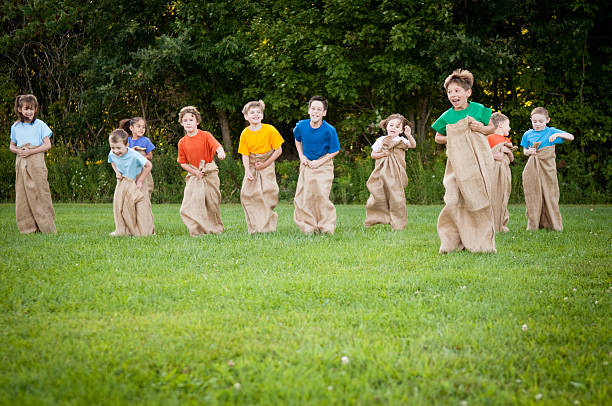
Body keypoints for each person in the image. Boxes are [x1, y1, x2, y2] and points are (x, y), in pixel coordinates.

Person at [432, 69, 496, 253]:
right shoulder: (447, 116)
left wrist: (480, 128)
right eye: (450, 92)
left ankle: (480, 242)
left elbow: (491, 128)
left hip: (477, 164)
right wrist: (455, 135)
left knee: (477, 200)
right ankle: (451, 241)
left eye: (457, 90)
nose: (453, 95)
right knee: (452, 199)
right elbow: (438, 137)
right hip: (456, 165)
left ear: (467, 92)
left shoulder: (478, 109)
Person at [9, 94, 57, 234]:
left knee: (40, 192)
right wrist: (18, 151)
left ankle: (46, 227)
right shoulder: (16, 126)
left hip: (36, 160)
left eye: (32, 109)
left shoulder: (40, 125)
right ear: (19, 109)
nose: (29, 112)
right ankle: (28, 228)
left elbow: (47, 145)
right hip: (21, 159)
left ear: (36, 109)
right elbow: (11, 146)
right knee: (23, 194)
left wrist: (30, 152)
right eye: (26, 109)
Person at [293, 95, 340, 234]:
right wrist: (302, 156)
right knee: (304, 196)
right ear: (308, 110)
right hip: (307, 164)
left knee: (320, 195)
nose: (315, 112)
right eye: (313, 108)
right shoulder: (301, 126)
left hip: (323, 165)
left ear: (324, 113)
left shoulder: (329, 130)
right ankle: (308, 226)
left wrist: (319, 162)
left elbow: (335, 150)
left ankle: (326, 226)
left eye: (319, 109)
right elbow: (297, 139)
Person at [521, 106, 574, 231]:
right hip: (533, 166)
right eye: (534, 121)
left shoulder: (551, 131)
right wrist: (530, 151)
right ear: (531, 120)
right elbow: (524, 151)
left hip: (548, 167)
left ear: (547, 120)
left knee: (550, 193)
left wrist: (557, 134)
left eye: (541, 121)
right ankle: (534, 224)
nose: (537, 124)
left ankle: (553, 224)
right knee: (534, 194)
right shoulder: (527, 134)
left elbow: (571, 137)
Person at [177, 106, 226, 236]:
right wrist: (195, 173)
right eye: (185, 120)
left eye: (191, 120)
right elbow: (182, 163)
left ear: (197, 121)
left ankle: (215, 228)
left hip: (209, 171)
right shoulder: (182, 142)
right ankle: (197, 230)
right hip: (194, 174)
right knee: (191, 203)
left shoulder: (205, 135)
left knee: (212, 202)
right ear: (181, 122)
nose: (188, 122)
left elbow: (216, 146)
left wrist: (220, 152)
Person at [238, 100, 284, 234]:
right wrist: (247, 171)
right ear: (246, 116)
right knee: (247, 193)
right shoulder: (245, 133)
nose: (256, 115)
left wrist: (265, 164)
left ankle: (268, 226)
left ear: (262, 116)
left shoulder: (270, 130)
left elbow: (278, 150)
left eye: (258, 112)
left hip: (267, 164)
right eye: (252, 112)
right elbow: (245, 155)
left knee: (268, 193)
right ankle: (254, 227)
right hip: (252, 165)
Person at [364, 113, 416, 230]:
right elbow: (373, 155)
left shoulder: (402, 140)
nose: (393, 128)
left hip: (396, 174)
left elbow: (413, 145)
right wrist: (383, 154)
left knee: (397, 197)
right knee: (379, 195)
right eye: (391, 125)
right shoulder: (381, 140)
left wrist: (409, 135)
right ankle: (376, 218)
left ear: (402, 130)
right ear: (386, 126)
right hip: (382, 173)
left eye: (397, 127)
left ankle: (397, 223)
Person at [107, 129, 154, 236]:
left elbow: (149, 166)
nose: (115, 151)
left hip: (137, 179)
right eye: (112, 147)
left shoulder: (134, 155)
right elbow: (111, 161)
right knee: (120, 205)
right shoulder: (112, 153)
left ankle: (144, 230)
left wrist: (140, 181)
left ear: (127, 145)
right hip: (123, 180)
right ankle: (123, 230)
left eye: (119, 148)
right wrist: (117, 172)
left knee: (141, 206)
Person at [487, 112, 516, 233]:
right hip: (493, 172)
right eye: (507, 125)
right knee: (493, 196)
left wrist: (508, 152)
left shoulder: (506, 140)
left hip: (505, 171)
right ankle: (490, 224)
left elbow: (511, 159)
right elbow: (483, 154)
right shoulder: (489, 138)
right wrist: (494, 155)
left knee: (504, 196)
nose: (509, 128)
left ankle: (501, 223)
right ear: (499, 125)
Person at [119, 117, 155, 200]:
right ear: (131, 128)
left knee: (143, 192)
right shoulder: (127, 141)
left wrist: (140, 156)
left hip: (143, 171)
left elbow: (150, 156)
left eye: (143, 127)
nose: (141, 129)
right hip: (130, 171)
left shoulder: (146, 141)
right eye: (138, 126)